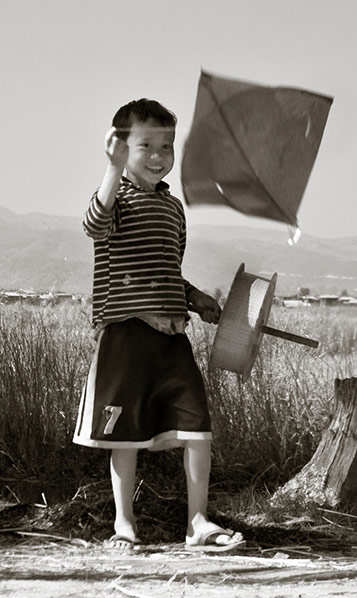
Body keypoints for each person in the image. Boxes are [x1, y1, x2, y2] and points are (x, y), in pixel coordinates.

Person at [73, 98, 245, 553]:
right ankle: (124, 524)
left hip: (173, 338)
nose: (157, 155)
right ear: (119, 148)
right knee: (124, 436)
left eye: (166, 145)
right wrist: (111, 170)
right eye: (144, 144)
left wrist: (194, 298)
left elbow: (167, 268)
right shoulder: (115, 199)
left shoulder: (172, 208)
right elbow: (94, 224)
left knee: (197, 429)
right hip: (125, 336)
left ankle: (198, 523)